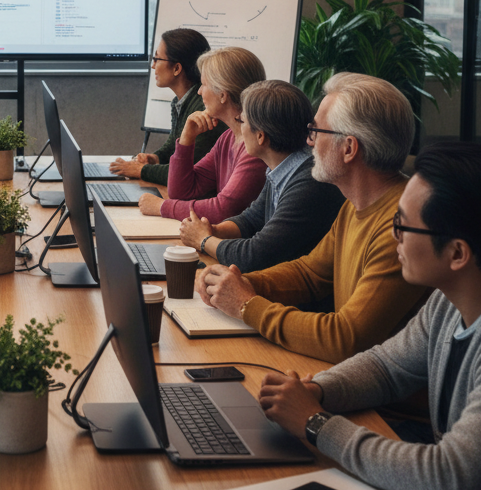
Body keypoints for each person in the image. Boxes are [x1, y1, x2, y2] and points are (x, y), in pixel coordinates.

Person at [258, 143, 481, 490]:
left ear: (457, 253)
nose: (393, 238)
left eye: (402, 226)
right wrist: (319, 390)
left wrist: (316, 425)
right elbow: (388, 365)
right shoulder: (449, 299)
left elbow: (452, 479)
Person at [197, 72, 428, 364]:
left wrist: (246, 305)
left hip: (383, 406)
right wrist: (238, 282)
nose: (309, 143)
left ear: (349, 148)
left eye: (316, 132)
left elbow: (346, 337)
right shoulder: (355, 204)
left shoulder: (401, 226)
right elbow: (310, 273)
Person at [179, 79, 344, 271]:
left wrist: (203, 240)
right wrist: (214, 230)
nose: (239, 128)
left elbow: (254, 256)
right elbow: (251, 219)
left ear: (261, 137)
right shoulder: (283, 166)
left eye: (242, 121)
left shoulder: (310, 182)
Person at [140, 45, 267, 223]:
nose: (199, 92)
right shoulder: (228, 138)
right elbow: (181, 191)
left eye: (204, 85)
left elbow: (223, 209)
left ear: (223, 95)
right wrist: (186, 139)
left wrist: (162, 207)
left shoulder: (255, 146)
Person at [109, 27, 225, 184]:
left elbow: (185, 171)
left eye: (157, 59)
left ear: (177, 68)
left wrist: (139, 170)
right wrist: (155, 158)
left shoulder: (203, 110)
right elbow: (173, 145)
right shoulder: (180, 101)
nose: (153, 66)